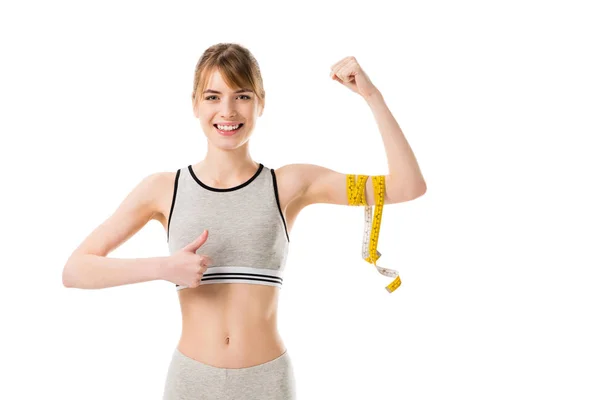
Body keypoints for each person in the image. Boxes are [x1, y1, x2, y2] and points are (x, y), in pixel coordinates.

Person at [62, 42, 427, 400]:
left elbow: (407, 186)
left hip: (268, 382)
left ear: (261, 103)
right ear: (194, 104)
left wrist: (372, 95)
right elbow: (76, 270)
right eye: (212, 96)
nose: (227, 110)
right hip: (191, 382)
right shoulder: (163, 189)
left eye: (242, 96)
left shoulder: (289, 185)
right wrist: (163, 267)